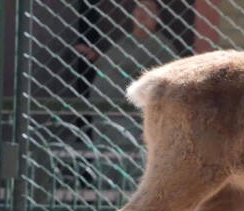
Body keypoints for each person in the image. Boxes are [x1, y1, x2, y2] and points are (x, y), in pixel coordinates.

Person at [75, 0, 177, 153]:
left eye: (148, 9)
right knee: (104, 162)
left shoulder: (161, 47)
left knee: (125, 163)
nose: (142, 13)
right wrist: (95, 56)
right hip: (102, 116)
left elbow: (166, 84)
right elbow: (113, 66)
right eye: (138, 8)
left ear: (157, 17)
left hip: (128, 119)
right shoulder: (125, 41)